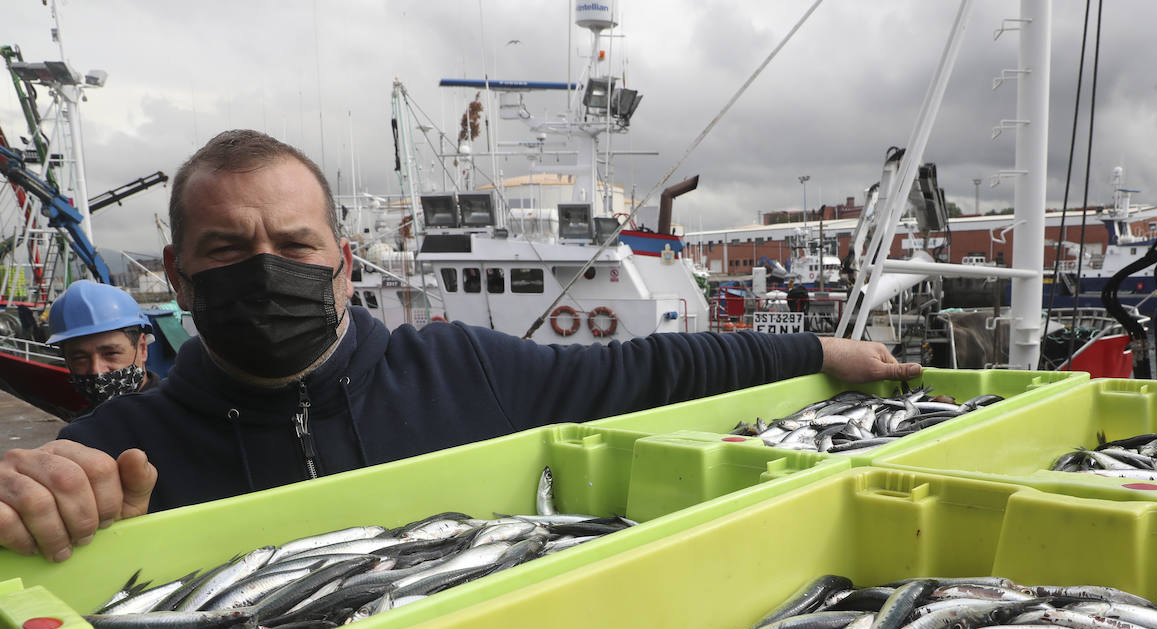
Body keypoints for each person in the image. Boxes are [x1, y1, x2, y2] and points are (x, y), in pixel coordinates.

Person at [0, 129, 920, 563]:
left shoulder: (464, 368)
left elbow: (653, 368)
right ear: (180, 274)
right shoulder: (130, 451)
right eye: (229, 251)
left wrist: (816, 352)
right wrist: (35, 498)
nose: (265, 268)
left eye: (294, 246)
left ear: (345, 266)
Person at [46, 281, 159, 410]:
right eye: (80, 358)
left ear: (142, 348)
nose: (97, 370)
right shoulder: (83, 426)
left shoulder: (177, 419)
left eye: (111, 353)